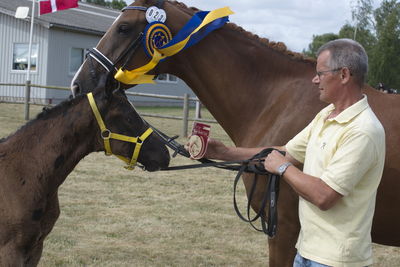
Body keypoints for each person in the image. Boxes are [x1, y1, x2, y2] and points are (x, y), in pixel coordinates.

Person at [187, 38, 385, 266]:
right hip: (307, 251)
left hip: (337, 260)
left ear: (344, 75)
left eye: (320, 73)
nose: (314, 80)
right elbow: (284, 151)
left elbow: (324, 195)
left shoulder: (363, 130)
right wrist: (225, 152)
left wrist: (283, 168)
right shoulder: (326, 116)